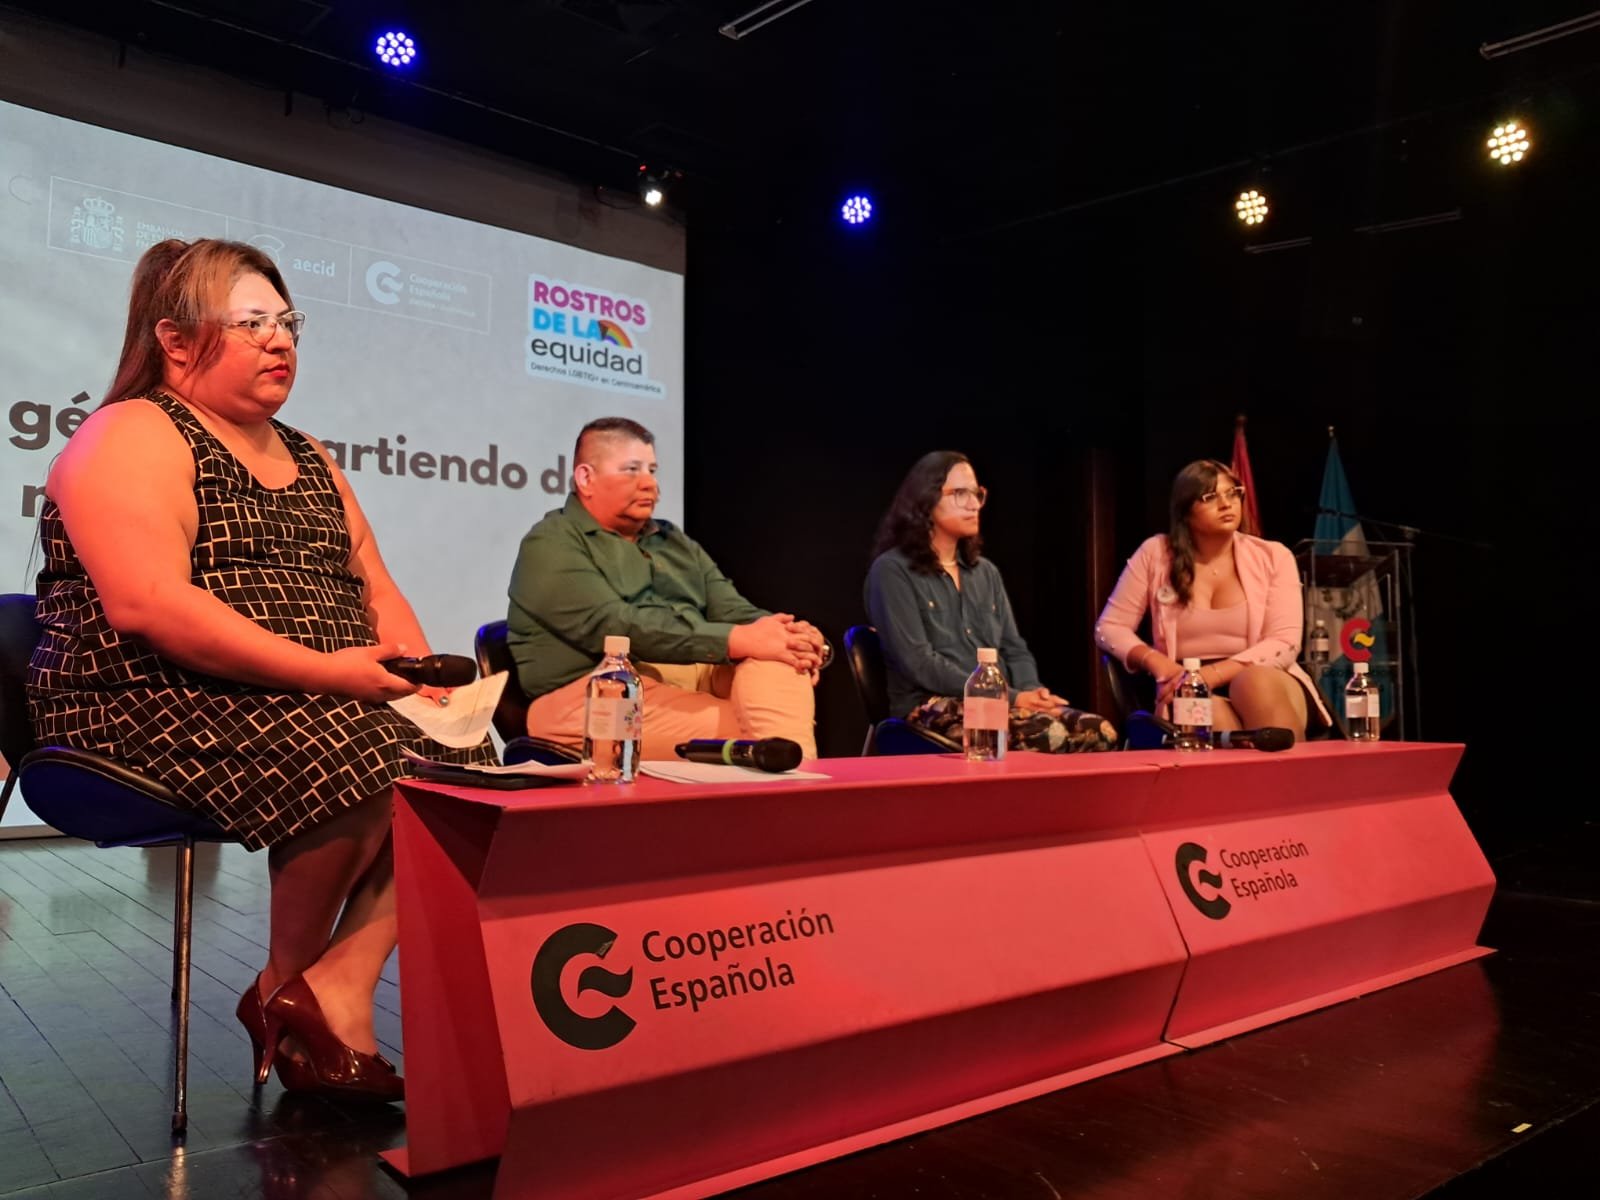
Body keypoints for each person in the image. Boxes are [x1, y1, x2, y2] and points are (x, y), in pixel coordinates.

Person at [26, 238, 495, 1101]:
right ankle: (294, 982)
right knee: (359, 748)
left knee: (467, 762)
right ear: (175, 340)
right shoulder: (131, 431)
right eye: (253, 323)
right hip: (139, 697)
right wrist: (331, 675)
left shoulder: (313, 455)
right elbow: (149, 607)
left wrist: (421, 679)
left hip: (299, 694)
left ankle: (328, 987)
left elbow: (378, 592)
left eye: (287, 322)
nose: (281, 340)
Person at [507, 417, 824, 759]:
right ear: (586, 478)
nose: (649, 484)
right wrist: (739, 639)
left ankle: (791, 794)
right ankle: (803, 800)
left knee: (779, 662)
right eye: (631, 470)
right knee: (760, 729)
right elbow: (615, 625)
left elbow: (734, 610)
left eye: (652, 470)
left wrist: (792, 637)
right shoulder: (551, 541)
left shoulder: (673, 541)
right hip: (595, 692)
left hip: (691, 674)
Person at [864, 451, 1116, 753]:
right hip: (929, 707)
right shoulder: (893, 571)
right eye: (960, 493)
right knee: (1049, 734)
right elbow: (919, 663)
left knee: (1099, 731)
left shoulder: (985, 572)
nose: (973, 504)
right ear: (925, 500)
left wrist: (1032, 693)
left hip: (1004, 702)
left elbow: (1013, 647)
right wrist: (1010, 697)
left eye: (976, 494)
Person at [1095, 458, 1332, 737]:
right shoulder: (1155, 554)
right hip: (1188, 684)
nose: (1226, 503)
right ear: (1185, 510)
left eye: (1233, 493)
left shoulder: (1273, 556)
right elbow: (1108, 628)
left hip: (1267, 677)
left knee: (1252, 683)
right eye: (1210, 497)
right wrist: (1159, 664)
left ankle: (1292, 779)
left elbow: (1285, 642)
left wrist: (1212, 675)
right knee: (1204, 710)